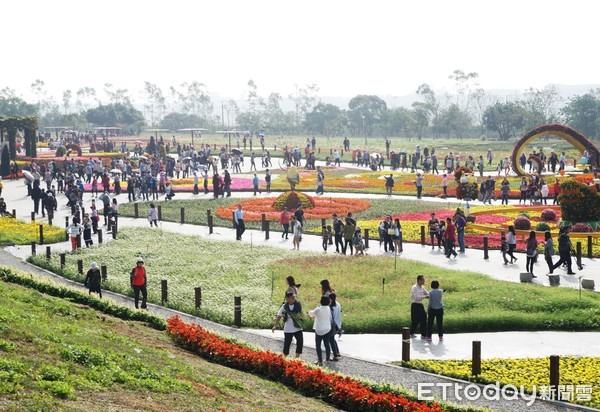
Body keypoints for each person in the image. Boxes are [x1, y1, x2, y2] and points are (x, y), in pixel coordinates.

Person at [272, 292, 304, 358]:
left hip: (297, 327)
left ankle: (297, 357)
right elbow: (279, 316)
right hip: (288, 329)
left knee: (300, 342)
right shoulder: (284, 307)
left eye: (294, 297)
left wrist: (299, 317)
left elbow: (302, 315)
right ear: (287, 298)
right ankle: (285, 357)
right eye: (292, 297)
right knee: (287, 344)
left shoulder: (298, 304)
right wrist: (275, 325)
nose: (294, 298)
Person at [308, 296, 332, 366]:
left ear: (321, 301)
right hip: (327, 328)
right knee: (327, 344)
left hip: (319, 330)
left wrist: (309, 312)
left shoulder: (318, 309)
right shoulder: (328, 308)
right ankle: (327, 359)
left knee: (318, 345)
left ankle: (320, 360)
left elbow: (311, 313)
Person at [329, 293, 342, 361]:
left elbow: (330, 318)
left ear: (330, 298)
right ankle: (337, 353)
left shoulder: (331, 306)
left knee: (331, 340)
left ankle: (335, 355)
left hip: (333, 325)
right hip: (338, 324)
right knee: (332, 339)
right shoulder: (338, 304)